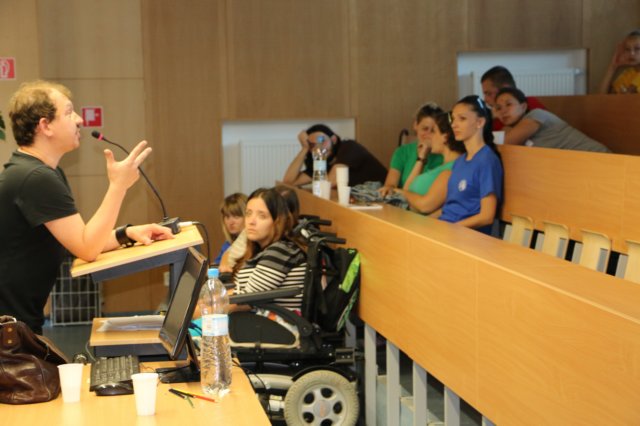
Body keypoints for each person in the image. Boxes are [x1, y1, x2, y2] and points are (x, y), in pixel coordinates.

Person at [0, 80, 174, 334]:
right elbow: (88, 249)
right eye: (69, 112)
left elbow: (80, 241)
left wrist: (128, 234)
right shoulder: (36, 178)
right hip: (9, 331)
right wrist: (118, 186)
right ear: (45, 126)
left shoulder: (41, 173)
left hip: (18, 324)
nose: (80, 120)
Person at [434, 95, 503, 235]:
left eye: (462, 119)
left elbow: (487, 216)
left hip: (467, 237)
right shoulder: (459, 161)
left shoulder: (487, 160)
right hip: (448, 230)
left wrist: (450, 229)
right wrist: (424, 222)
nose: (454, 125)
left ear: (480, 122)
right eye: (453, 119)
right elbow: (451, 208)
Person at [230, 187, 306, 312]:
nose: (251, 221)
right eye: (248, 213)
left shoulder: (280, 251)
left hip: (274, 321)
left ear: (277, 221)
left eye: (262, 216)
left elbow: (245, 301)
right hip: (256, 319)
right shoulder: (264, 249)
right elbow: (240, 293)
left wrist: (203, 308)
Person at [494, 87, 611, 153]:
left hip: (600, 156)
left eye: (508, 104)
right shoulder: (513, 129)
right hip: (578, 164)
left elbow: (504, 145)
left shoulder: (535, 115)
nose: (503, 111)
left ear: (523, 106)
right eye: (498, 108)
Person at [393, 112, 465, 214]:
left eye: (433, 131)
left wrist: (399, 191)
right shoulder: (443, 166)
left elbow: (425, 206)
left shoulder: (452, 169)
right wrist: (421, 157)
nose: (429, 136)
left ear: (445, 137)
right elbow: (407, 189)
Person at [282, 124, 387, 188]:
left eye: (322, 141)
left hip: (383, 196)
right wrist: (305, 148)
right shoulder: (322, 161)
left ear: (334, 139)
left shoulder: (349, 147)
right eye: (312, 145)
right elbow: (288, 182)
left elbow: (331, 182)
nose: (318, 147)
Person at [378, 103, 445, 197]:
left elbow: (415, 191)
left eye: (433, 131)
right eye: (425, 129)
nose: (428, 135)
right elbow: (390, 185)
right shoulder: (402, 152)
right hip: (402, 201)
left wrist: (422, 157)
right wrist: (389, 189)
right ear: (415, 125)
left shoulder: (443, 156)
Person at [480, 65, 545, 130]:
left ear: (505, 89)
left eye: (489, 93)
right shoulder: (492, 118)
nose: (485, 99)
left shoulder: (531, 104)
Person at [600, 29, 640, 94]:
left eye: (637, 48)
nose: (631, 53)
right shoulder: (628, 74)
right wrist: (613, 66)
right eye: (627, 49)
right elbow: (601, 97)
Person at [213, 193, 247, 264]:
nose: (231, 222)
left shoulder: (251, 246)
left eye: (236, 216)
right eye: (227, 217)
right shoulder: (227, 244)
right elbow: (216, 265)